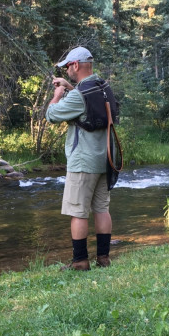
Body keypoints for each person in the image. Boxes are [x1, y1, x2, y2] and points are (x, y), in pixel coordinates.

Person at [46, 46, 115, 271]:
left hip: (82, 163)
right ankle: (104, 259)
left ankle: (80, 262)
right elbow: (86, 101)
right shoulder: (103, 87)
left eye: (67, 66)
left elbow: (52, 115)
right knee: (102, 209)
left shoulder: (78, 95)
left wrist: (57, 95)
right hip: (105, 160)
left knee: (78, 212)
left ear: (76, 65)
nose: (66, 71)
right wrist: (70, 87)